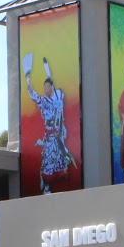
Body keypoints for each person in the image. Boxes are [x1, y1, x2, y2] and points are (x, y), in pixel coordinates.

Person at [24, 55, 76, 193]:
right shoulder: (45, 101)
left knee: (61, 160)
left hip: (60, 133)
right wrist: (30, 88)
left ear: (51, 86)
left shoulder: (59, 94)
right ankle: (46, 185)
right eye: (44, 87)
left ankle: (54, 181)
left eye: (47, 86)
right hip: (51, 136)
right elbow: (37, 99)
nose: (46, 89)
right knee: (48, 160)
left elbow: (58, 99)